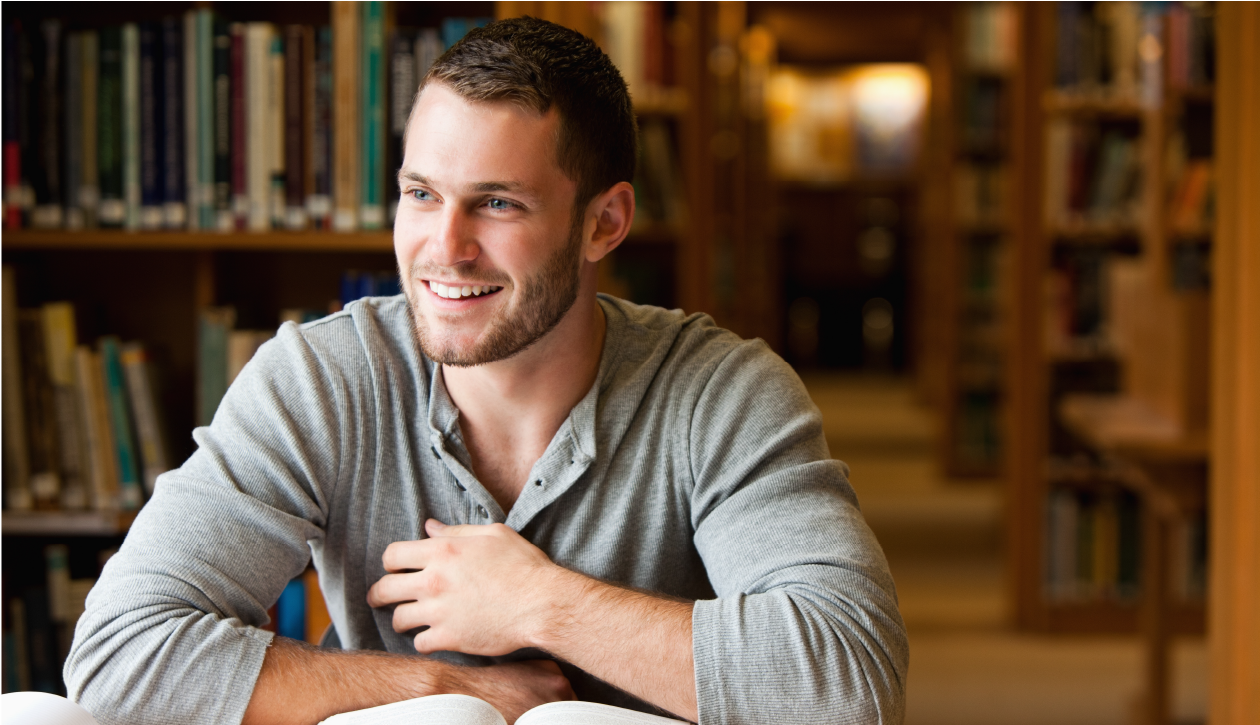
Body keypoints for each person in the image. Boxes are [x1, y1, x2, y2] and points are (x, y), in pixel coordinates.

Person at [65, 17, 907, 725]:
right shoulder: (320, 380)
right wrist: (451, 687)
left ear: (604, 223)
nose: (444, 247)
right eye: (421, 193)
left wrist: (541, 602)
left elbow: (849, 682)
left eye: (498, 202)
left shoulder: (723, 392)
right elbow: (118, 653)